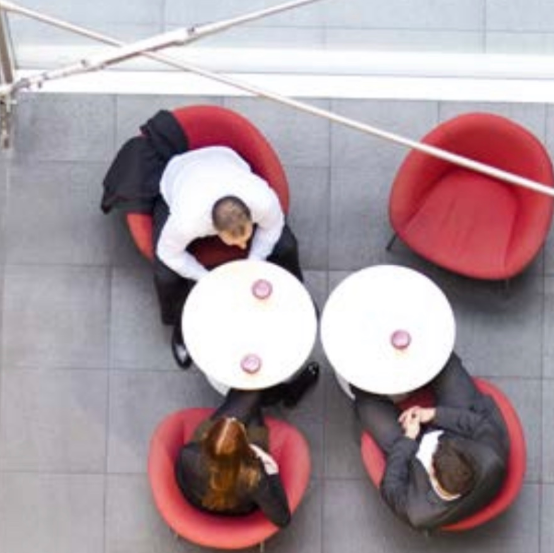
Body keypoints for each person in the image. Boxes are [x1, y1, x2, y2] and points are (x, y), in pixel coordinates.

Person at [153, 145, 304, 369]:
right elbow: (167, 253)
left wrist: (254, 260)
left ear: (251, 215)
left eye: (246, 237)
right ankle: (182, 326)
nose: (242, 246)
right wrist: (205, 277)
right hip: (179, 178)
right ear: (214, 230)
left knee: (287, 246)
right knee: (165, 277)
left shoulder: (262, 200)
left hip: (225, 160)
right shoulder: (187, 222)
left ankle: (296, 295)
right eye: (235, 242)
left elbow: (273, 227)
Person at [353, 352, 509, 530]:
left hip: (412, 449)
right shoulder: (492, 460)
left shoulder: (416, 512)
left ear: (432, 472)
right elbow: (480, 425)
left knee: (365, 402)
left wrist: (408, 439)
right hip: (452, 430)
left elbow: (391, 485)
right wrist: (433, 414)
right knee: (444, 360)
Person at [175, 362, 319, 521]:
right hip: (238, 508)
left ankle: (287, 393)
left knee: (246, 396)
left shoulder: (188, 454)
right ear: (246, 446)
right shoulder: (255, 478)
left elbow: (182, 479)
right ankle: (289, 394)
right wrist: (272, 473)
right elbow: (283, 519)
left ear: (208, 438)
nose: (233, 418)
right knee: (252, 410)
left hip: (200, 499)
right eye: (239, 426)